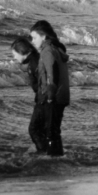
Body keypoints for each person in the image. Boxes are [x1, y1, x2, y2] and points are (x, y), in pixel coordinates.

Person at [30, 21, 70, 157]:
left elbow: (52, 73)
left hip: (53, 96)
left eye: (34, 38)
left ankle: (51, 158)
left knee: (46, 131)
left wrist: (50, 97)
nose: (32, 41)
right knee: (52, 131)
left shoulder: (48, 51)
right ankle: (54, 155)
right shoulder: (55, 48)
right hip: (61, 96)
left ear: (44, 37)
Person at [11, 37, 48, 153]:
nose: (14, 58)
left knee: (34, 129)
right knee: (41, 130)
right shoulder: (35, 59)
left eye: (14, 54)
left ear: (22, 52)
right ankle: (48, 151)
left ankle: (44, 154)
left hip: (45, 99)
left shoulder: (35, 63)